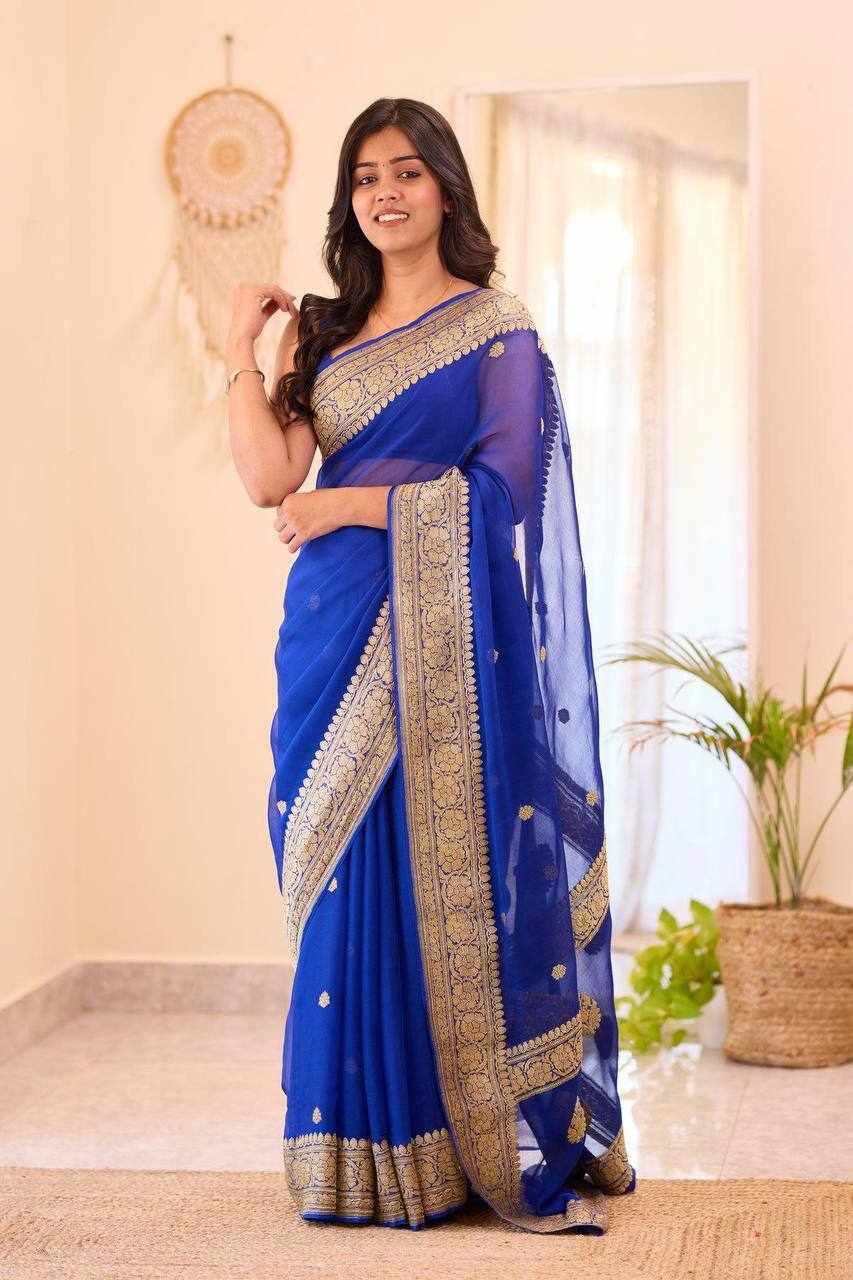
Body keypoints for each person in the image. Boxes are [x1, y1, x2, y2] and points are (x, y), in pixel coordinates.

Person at [225, 96, 635, 1234]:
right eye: (365, 177)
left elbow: (504, 493)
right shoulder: (321, 331)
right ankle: (352, 1154)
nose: (385, 193)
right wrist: (236, 353)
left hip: (440, 638)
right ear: (349, 199)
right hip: (331, 630)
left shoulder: (496, 331)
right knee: (336, 872)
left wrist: (350, 503)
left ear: (445, 188)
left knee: (427, 873)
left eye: (406, 171)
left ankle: (450, 1149)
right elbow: (267, 479)